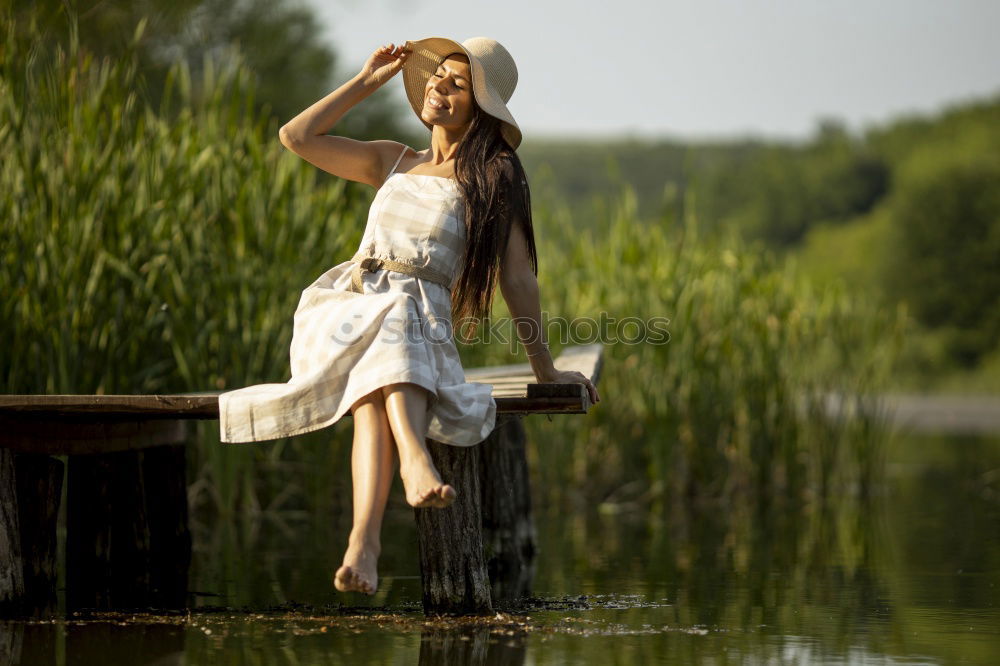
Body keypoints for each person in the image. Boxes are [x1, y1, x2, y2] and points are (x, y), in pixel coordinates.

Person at [217, 37, 600, 595]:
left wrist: (545, 371)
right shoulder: (393, 160)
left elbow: (517, 280)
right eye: (436, 76)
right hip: (346, 310)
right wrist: (366, 81)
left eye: (458, 84)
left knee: (376, 389)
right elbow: (296, 137)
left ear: (481, 108)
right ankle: (414, 462)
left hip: (416, 325)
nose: (438, 87)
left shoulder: (494, 176)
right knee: (387, 318)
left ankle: (363, 546)